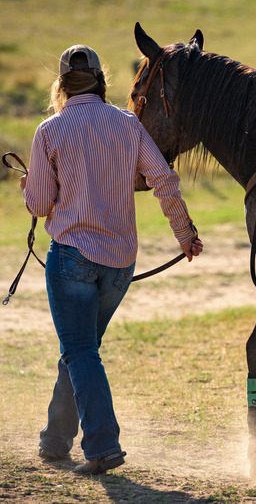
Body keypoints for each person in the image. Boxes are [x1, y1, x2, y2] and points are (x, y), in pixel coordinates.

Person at [19, 44, 203, 475]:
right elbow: (163, 178)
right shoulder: (128, 125)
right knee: (81, 348)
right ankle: (56, 439)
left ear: (61, 84)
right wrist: (185, 235)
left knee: (80, 349)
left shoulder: (49, 130)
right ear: (102, 80)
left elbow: (40, 202)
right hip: (120, 264)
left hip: (71, 259)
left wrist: (29, 186)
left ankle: (103, 446)